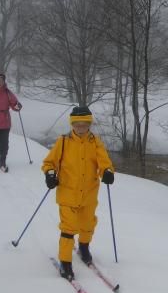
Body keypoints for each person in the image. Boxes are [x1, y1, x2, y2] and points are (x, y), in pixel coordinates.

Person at [41, 106, 115, 280]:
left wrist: (107, 172)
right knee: (68, 228)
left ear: (89, 124)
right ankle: (65, 262)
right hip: (67, 193)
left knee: (88, 224)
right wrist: (50, 175)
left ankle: (83, 247)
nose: (80, 127)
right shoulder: (64, 141)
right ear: (72, 124)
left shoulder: (95, 141)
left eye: (84, 124)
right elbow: (49, 162)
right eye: (77, 124)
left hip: (89, 193)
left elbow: (104, 162)